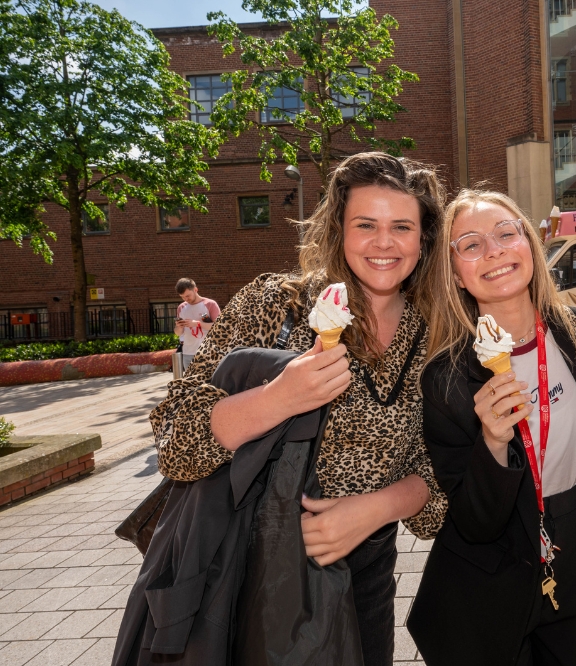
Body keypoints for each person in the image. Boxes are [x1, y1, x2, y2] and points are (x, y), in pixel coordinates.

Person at [149, 152, 448, 666]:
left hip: (367, 582)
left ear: (423, 239)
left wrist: (380, 507)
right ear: (338, 229)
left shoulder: (438, 336)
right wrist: (278, 398)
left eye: (402, 226)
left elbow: (442, 478)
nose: (384, 242)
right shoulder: (278, 305)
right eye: (365, 225)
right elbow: (174, 439)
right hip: (253, 573)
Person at [408, 190, 576, 666]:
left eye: (505, 233)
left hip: (574, 555)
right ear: (455, 272)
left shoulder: (573, 328)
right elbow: (474, 521)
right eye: (470, 244)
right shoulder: (445, 376)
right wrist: (492, 443)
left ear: (529, 245)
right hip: (491, 583)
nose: (493, 251)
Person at [173, 278, 221, 372]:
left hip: (209, 352)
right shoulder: (181, 307)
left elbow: (219, 327)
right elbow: (178, 333)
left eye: (188, 296)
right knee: (191, 383)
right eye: (182, 297)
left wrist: (197, 323)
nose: (186, 299)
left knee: (210, 383)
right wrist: (179, 327)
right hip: (188, 352)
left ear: (195, 289)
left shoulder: (210, 304)